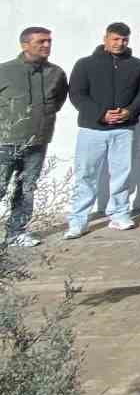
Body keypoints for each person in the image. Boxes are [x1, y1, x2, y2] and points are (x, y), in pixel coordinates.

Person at [65, 22, 140, 238]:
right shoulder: (85, 64)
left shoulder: (138, 66)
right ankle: (78, 221)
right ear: (105, 38)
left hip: (124, 130)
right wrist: (101, 114)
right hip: (91, 129)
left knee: (122, 174)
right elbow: (77, 94)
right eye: (115, 39)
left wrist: (129, 111)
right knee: (86, 174)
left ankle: (120, 215)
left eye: (124, 39)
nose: (119, 43)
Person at [0, 26, 69, 248]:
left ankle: (16, 233)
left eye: (49, 41)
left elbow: (57, 102)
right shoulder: (5, 70)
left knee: (27, 188)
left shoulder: (56, 73)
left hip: (38, 141)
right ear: (25, 44)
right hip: (6, 141)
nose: (47, 45)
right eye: (41, 41)